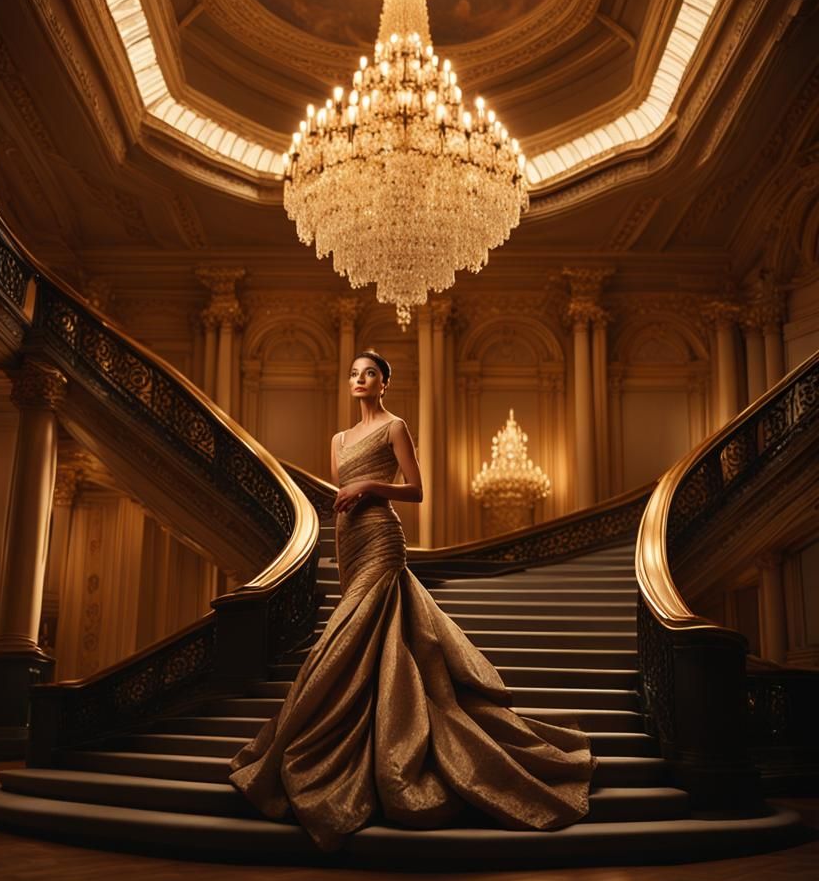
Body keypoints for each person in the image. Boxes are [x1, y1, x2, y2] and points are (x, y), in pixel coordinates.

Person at [228, 350, 596, 850]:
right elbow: (339, 491)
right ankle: (364, 734)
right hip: (349, 539)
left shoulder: (395, 427)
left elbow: (417, 491)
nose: (360, 380)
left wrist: (369, 484)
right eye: (354, 375)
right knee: (361, 635)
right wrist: (348, 494)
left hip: (382, 536)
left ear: (384, 382)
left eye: (370, 374)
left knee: (347, 637)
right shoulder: (338, 440)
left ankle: (384, 747)